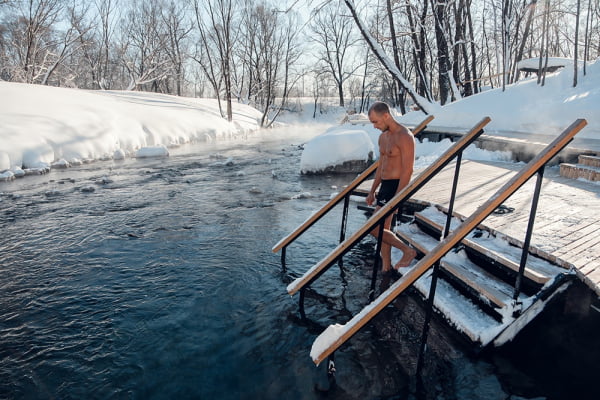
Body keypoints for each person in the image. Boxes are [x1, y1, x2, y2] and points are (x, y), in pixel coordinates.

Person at [365, 101, 417, 272]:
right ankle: (386, 267)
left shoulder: (405, 137)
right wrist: (372, 191)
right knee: (383, 229)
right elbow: (381, 166)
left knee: (373, 227)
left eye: (375, 122)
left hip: (397, 187)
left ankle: (407, 251)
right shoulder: (383, 137)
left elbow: (408, 171)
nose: (374, 126)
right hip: (385, 186)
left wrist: (398, 198)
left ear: (386, 116)